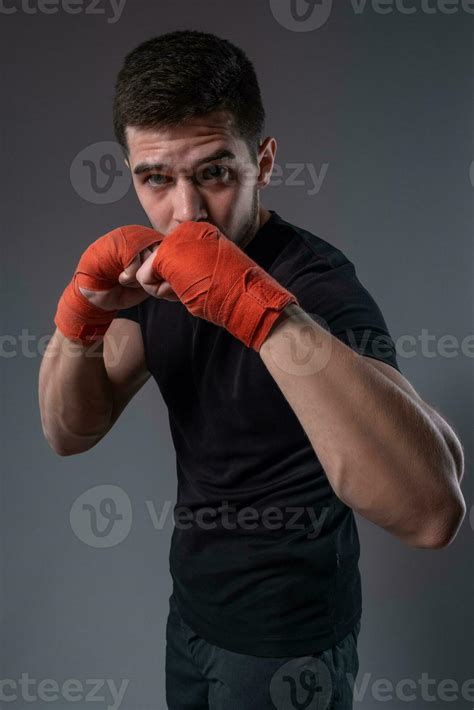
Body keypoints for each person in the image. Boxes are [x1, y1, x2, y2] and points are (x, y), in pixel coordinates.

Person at [39, 30, 466, 710]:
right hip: (192, 618)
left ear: (262, 162)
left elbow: (429, 509)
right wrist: (81, 312)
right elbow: (70, 428)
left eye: (214, 172)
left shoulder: (319, 287)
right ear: (130, 173)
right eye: (157, 178)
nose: (187, 213)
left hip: (287, 644)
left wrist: (264, 312)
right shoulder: (157, 278)